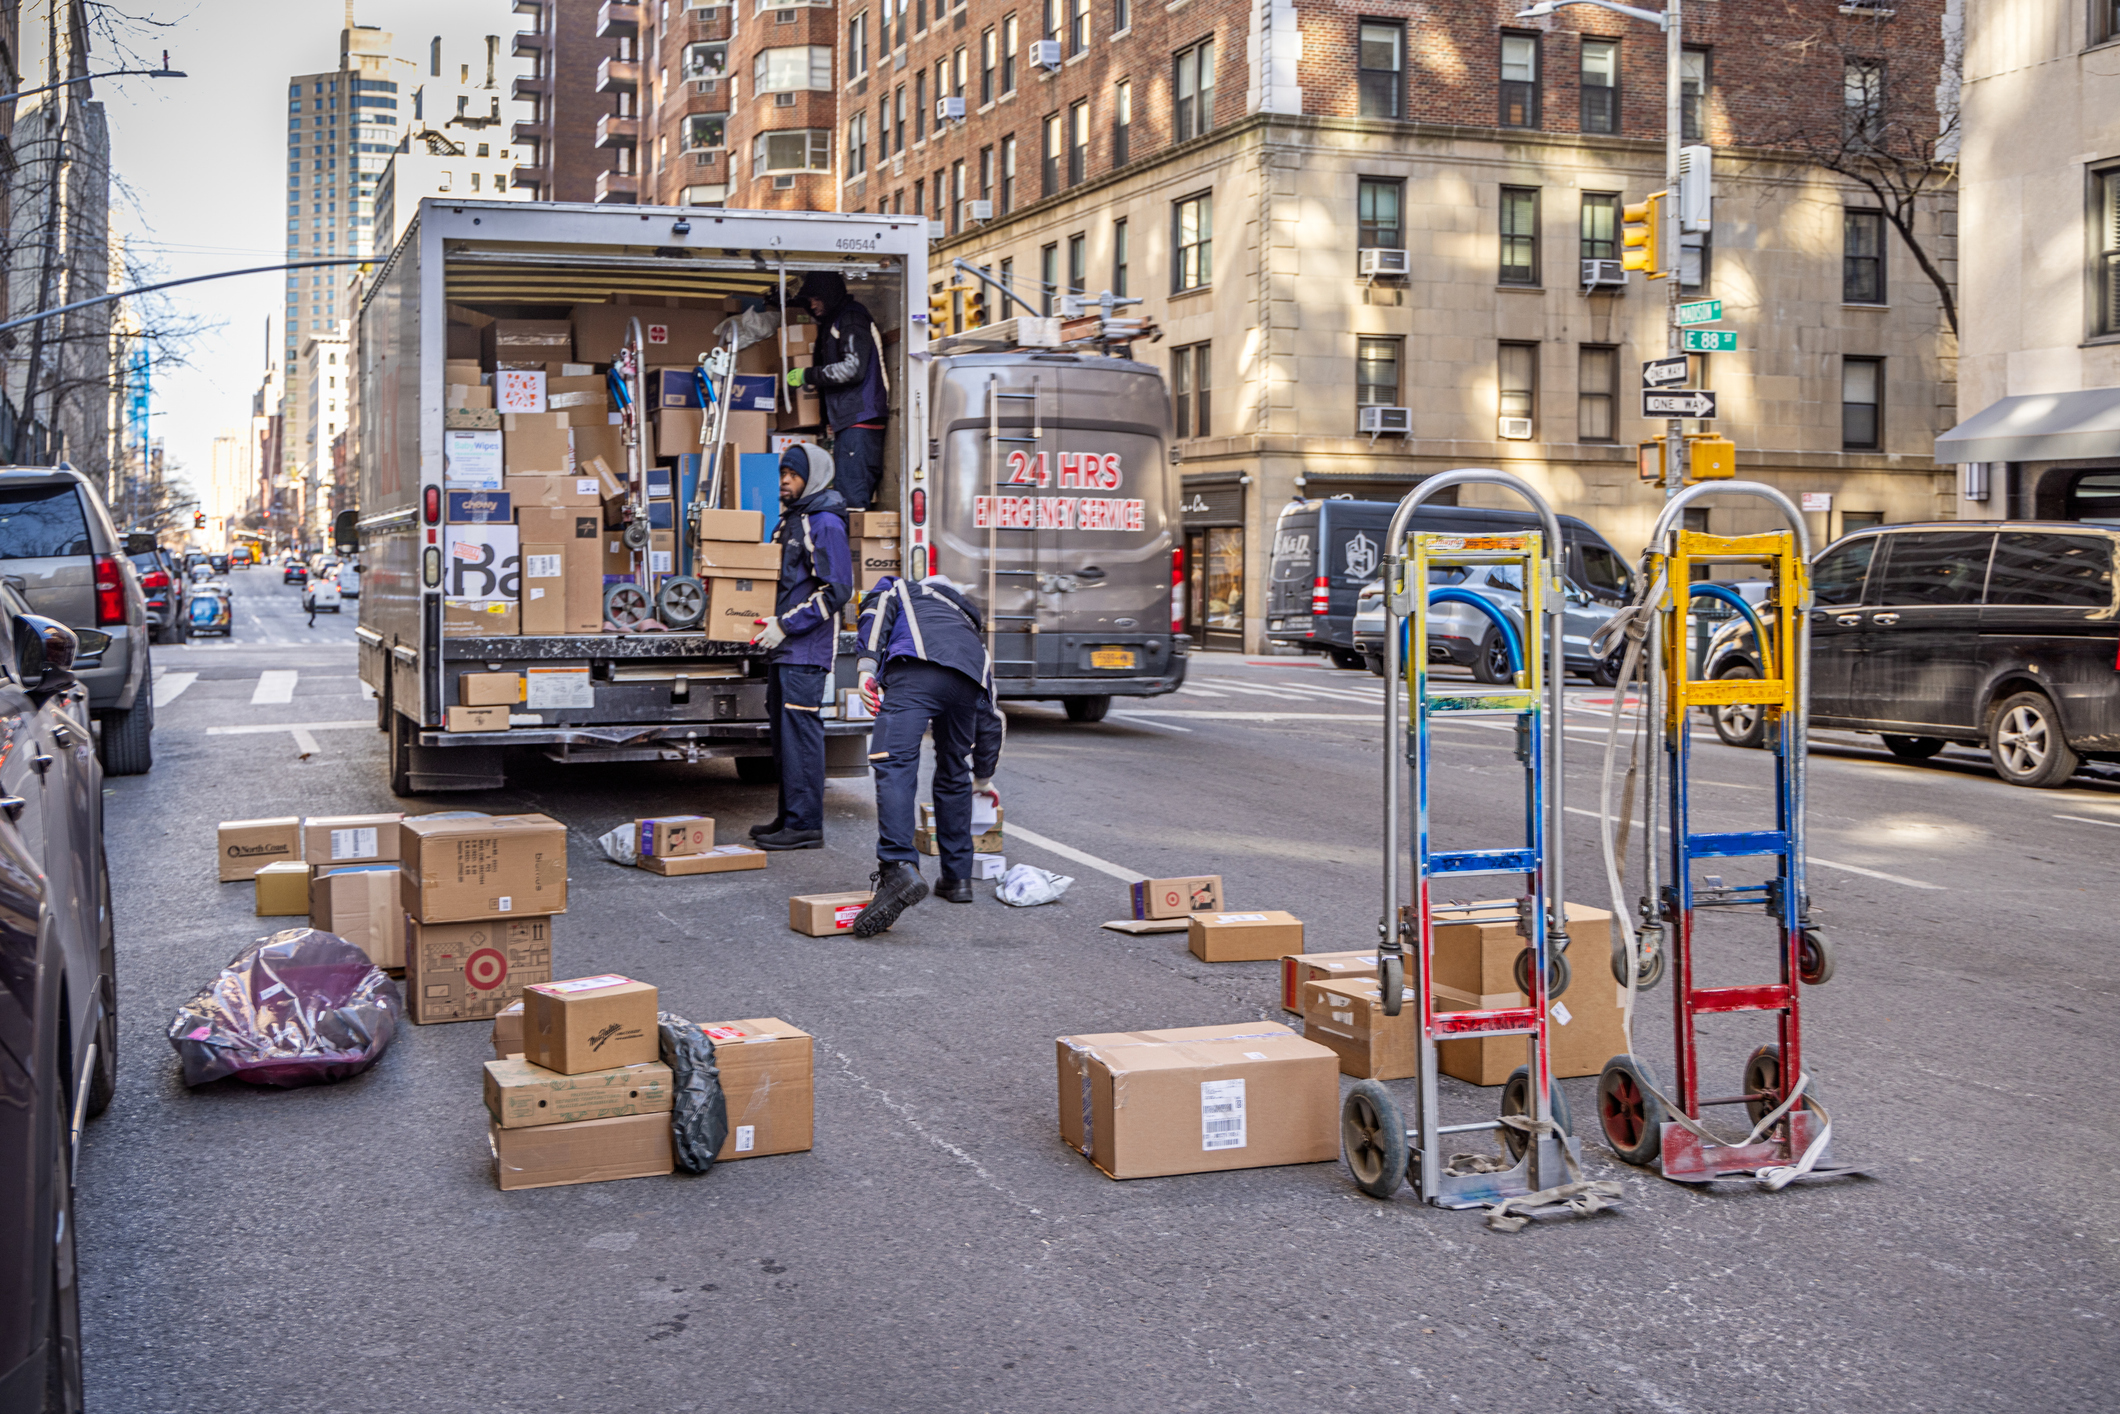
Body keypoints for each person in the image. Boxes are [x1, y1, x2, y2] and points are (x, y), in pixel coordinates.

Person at [846, 572, 1004, 938]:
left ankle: (899, 867)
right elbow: (992, 717)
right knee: (954, 771)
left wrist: (867, 668)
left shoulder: (904, 587)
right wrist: (983, 777)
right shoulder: (969, 631)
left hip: (915, 671)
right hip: (967, 684)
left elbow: (877, 608)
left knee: (895, 763)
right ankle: (957, 878)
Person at [747, 443, 853, 851]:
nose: (784, 482)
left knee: (800, 735)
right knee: (784, 734)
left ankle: (806, 824)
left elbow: (837, 590)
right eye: (782, 475)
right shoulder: (792, 521)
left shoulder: (823, 523)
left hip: (804, 651)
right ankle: (789, 816)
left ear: (812, 477)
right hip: (785, 648)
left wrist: (787, 626)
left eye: (791, 475)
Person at [785, 271, 888, 513]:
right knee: (846, 494)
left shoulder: (851, 319)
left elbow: (853, 368)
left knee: (850, 501)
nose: (812, 304)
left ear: (830, 295)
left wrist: (807, 375)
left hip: (860, 420)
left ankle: (851, 550)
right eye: (809, 299)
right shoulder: (836, 320)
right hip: (852, 422)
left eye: (817, 298)